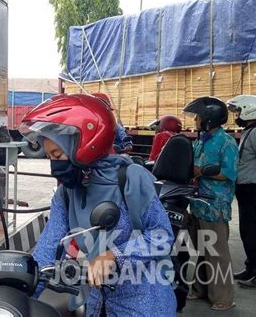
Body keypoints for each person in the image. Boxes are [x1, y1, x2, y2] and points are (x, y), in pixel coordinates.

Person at [19, 93, 176, 316]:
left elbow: (162, 237)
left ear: (84, 145)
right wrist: (20, 296)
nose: (54, 165)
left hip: (142, 303)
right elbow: (48, 247)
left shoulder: (131, 178)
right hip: (96, 303)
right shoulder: (67, 193)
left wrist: (113, 255)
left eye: (57, 154)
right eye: (49, 156)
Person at [182, 96, 238, 311]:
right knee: (203, 248)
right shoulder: (201, 140)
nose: (195, 120)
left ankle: (223, 296)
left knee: (217, 252)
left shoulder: (226, 142)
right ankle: (200, 289)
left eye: (198, 116)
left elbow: (229, 172)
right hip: (197, 202)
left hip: (215, 205)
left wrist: (202, 172)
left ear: (209, 119)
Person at [227, 95, 256, 288]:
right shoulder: (248, 131)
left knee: (253, 231)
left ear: (249, 110)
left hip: (253, 188)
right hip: (244, 188)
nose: (236, 115)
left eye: (238, 111)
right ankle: (251, 267)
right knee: (247, 231)